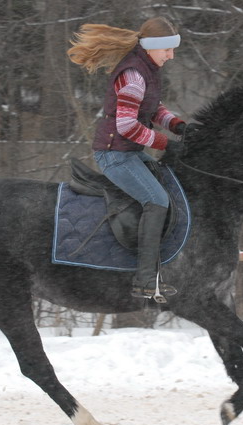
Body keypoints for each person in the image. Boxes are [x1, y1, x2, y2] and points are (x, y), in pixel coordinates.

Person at [67, 17, 186, 302]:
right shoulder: (133, 75)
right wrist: (165, 143)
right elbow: (127, 127)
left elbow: (154, 108)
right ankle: (145, 279)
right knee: (157, 200)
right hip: (114, 155)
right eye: (167, 49)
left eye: (172, 49)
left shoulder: (148, 69)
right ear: (151, 47)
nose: (171, 55)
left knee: (167, 185)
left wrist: (178, 125)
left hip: (128, 152)